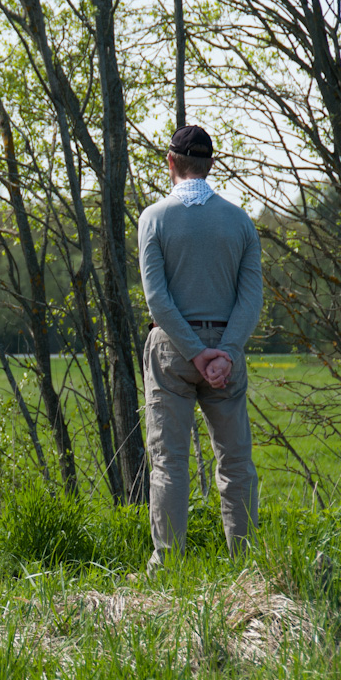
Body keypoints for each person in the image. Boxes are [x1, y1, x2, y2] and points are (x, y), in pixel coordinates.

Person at [138, 125, 263, 574]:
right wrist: (224, 352)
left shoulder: (154, 218)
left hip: (172, 351)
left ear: (170, 162)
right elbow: (252, 298)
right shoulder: (240, 221)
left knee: (169, 462)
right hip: (226, 355)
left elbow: (157, 299)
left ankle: (168, 567)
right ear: (211, 164)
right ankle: (246, 567)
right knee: (236, 462)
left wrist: (194, 352)